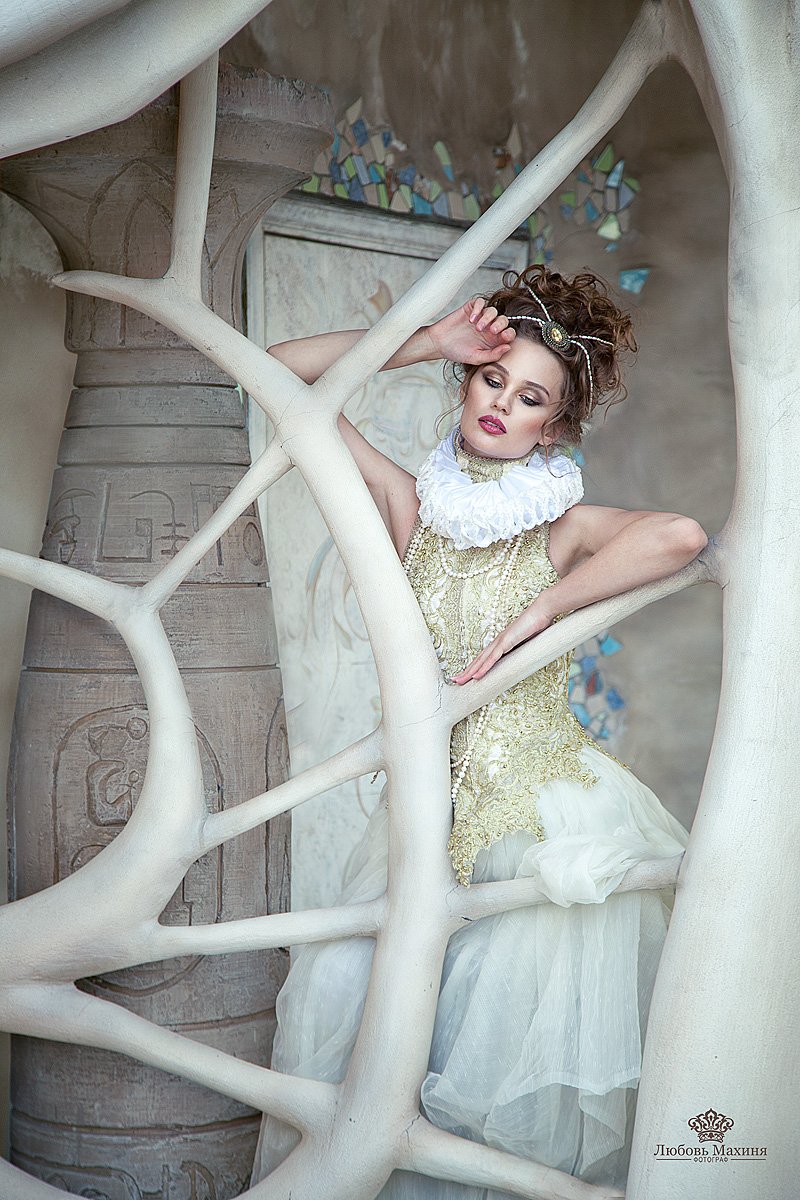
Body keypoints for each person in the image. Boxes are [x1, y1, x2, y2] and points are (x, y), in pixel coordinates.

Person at [251, 264, 704, 1196]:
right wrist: (428, 343)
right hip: (424, 824)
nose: (502, 403)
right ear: (466, 382)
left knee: (484, 1079)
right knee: (349, 1020)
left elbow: (681, 536)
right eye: (492, 379)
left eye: (531, 396)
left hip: (540, 824)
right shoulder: (410, 507)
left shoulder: (563, 531)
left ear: (556, 427)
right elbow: (279, 366)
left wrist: (542, 613)